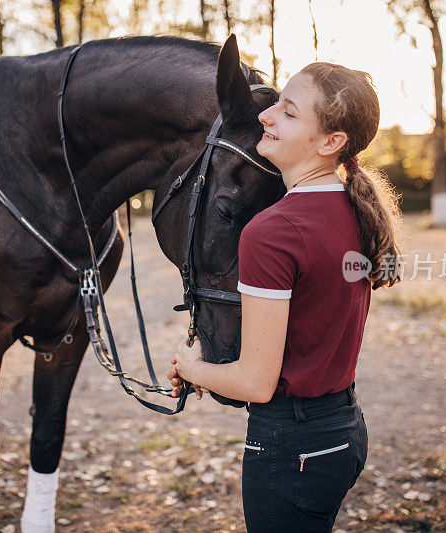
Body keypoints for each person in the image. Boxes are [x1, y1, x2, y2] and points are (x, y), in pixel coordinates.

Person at [167, 62, 405, 532]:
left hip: (291, 446)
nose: (266, 116)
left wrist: (191, 367)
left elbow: (257, 382)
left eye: (289, 113)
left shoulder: (274, 231)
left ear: (330, 143)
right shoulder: (353, 208)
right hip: (342, 432)